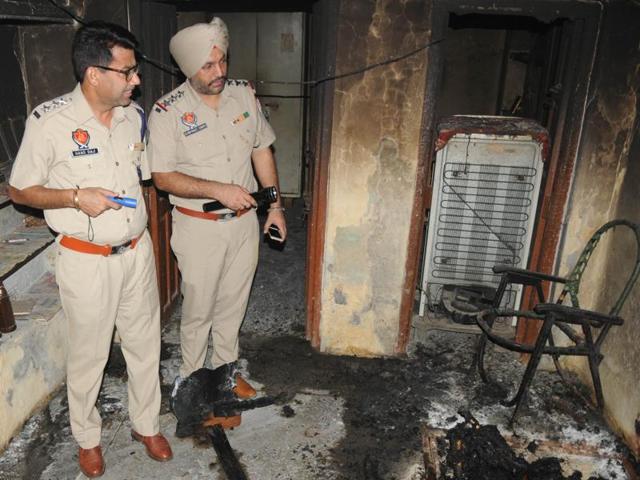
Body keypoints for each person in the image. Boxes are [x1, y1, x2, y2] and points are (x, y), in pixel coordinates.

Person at [8, 21, 172, 478]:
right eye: (128, 71)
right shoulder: (51, 121)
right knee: (90, 354)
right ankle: (88, 437)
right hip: (85, 258)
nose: (136, 80)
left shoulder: (132, 116)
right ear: (94, 74)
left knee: (145, 346)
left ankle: (147, 424)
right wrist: (76, 197)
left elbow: (145, 178)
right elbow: (21, 190)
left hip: (137, 252)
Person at [147, 17, 287, 413]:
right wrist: (216, 189)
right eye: (208, 66)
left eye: (222, 61)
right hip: (199, 228)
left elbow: (262, 149)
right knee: (198, 312)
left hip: (244, 225)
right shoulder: (167, 112)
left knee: (233, 306)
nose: (220, 72)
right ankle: (192, 382)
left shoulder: (243, 95)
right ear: (187, 68)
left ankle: (226, 373)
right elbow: (162, 176)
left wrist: (274, 207)